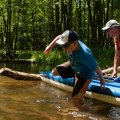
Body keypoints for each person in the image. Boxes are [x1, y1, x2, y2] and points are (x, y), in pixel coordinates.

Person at [44, 30, 105, 99]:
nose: (64, 48)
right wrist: (49, 47)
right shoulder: (70, 42)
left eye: (66, 46)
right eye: (63, 45)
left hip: (85, 74)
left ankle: (80, 82)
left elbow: (96, 67)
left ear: (75, 43)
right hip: (74, 64)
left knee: (76, 100)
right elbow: (58, 37)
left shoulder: (85, 54)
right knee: (54, 72)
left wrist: (101, 79)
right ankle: (75, 76)